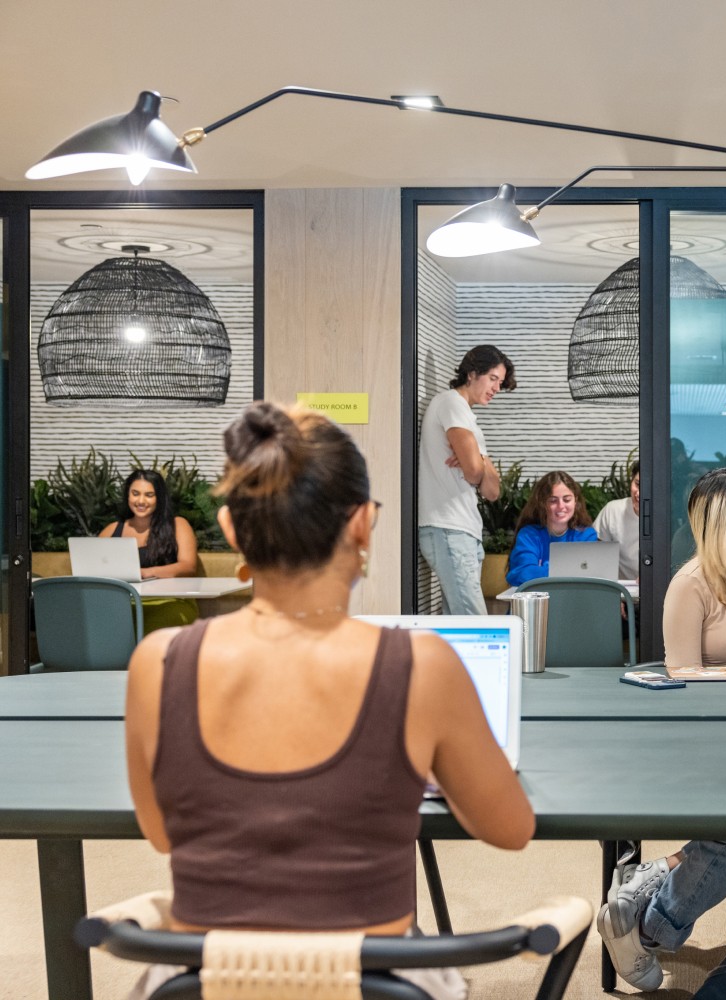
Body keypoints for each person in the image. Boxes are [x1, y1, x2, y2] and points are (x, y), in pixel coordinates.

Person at [123, 401, 534, 1000]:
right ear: (363, 524)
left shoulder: (155, 664)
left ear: (232, 529)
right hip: (372, 984)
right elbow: (510, 828)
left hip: (204, 984)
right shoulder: (422, 668)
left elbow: (162, 834)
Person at [598, 466, 726, 991]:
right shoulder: (689, 586)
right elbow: (682, 679)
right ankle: (653, 928)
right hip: (706, 740)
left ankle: (639, 901)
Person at [418, 345, 516, 614]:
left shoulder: (468, 417)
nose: (497, 388)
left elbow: (493, 491)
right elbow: (474, 474)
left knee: (457, 623)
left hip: (464, 530)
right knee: (475, 623)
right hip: (448, 527)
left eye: (500, 381)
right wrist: (477, 463)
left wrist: (477, 459)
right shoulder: (451, 403)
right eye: (493, 378)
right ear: (472, 373)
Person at [505, 470, 599, 587]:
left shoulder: (586, 535)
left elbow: (592, 575)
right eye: (553, 500)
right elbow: (523, 573)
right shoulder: (528, 535)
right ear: (542, 503)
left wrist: (542, 570)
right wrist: (569, 570)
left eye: (567, 499)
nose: (561, 506)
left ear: (575, 501)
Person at [99, 469, 198, 579]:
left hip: (166, 594)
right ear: (128, 495)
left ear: (159, 498)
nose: (141, 501)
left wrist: (146, 573)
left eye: (149, 495)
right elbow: (95, 565)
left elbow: (188, 567)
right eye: (135, 494)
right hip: (122, 595)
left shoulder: (178, 525)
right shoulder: (111, 530)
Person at [594, 461, 641, 580]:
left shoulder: (670, 517)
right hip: (622, 592)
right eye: (638, 484)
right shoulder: (613, 510)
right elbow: (595, 557)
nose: (640, 494)